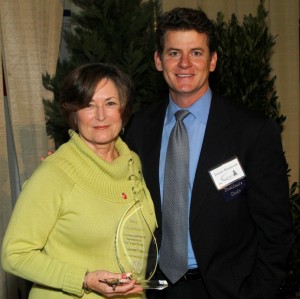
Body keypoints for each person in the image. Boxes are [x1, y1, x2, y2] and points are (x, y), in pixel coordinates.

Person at [124, 7, 294, 299]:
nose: (185, 64)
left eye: (197, 53)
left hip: (224, 291)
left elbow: (277, 231)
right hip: (153, 289)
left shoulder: (252, 132)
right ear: (158, 60)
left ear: (213, 61)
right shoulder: (139, 128)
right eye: (174, 53)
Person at [1, 63, 157, 299]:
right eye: (89, 105)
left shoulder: (132, 163)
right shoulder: (54, 173)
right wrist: (83, 279)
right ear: (74, 113)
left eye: (110, 103)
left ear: (123, 110)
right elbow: (14, 254)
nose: (101, 115)